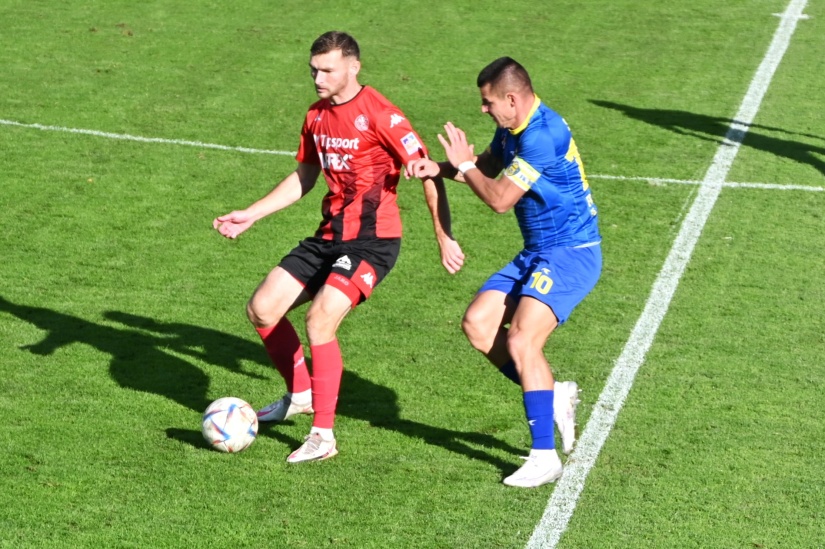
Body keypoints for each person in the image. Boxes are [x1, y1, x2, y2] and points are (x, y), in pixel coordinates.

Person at [213, 31, 464, 463]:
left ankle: (323, 435)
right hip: (329, 235)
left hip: (374, 240)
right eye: (313, 69)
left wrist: (444, 237)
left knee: (319, 319)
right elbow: (304, 177)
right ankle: (299, 395)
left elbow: (428, 172)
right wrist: (252, 213)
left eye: (326, 70)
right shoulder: (315, 116)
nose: (317, 78)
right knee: (262, 308)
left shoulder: (383, 115)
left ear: (353, 67)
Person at [407, 57, 601, 487]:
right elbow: (490, 168)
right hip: (538, 251)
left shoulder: (543, 135)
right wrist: (439, 168)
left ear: (511, 98)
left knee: (521, 338)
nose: (483, 109)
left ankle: (544, 456)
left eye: (488, 102)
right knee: (478, 325)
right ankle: (553, 395)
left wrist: (464, 165)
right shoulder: (512, 127)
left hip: (572, 253)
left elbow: (498, 200)